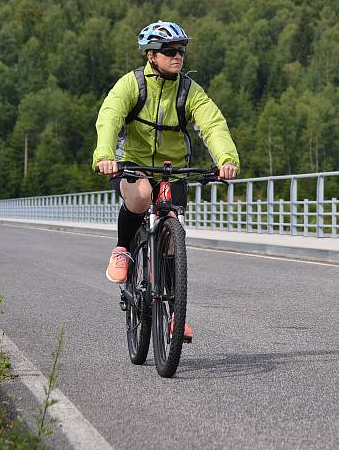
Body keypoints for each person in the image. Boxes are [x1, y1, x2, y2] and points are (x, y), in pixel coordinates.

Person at [92, 20, 239, 340]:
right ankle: (122, 250)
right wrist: (104, 155)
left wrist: (226, 159)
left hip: (172, 170)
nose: (178, 57)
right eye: (170, 51)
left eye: (181, 51)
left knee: (172, 228)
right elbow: (110, 115)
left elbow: (212, 123)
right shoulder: (132, 85)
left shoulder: (189, 90)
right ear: (151, 56)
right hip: (132, 164)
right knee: (142, 194)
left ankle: (174, 316)